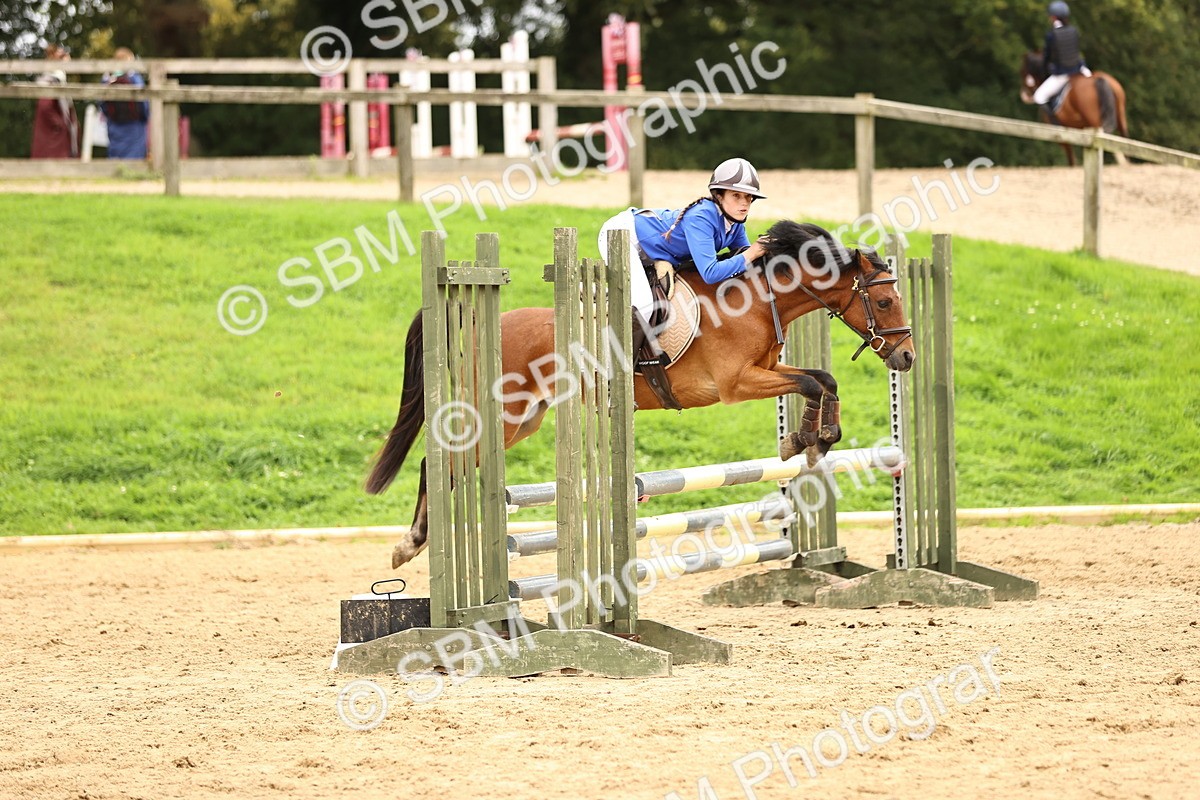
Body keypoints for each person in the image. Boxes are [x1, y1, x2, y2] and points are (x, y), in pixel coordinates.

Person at [596, 157, 768, 408]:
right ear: (718, 196)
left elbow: (744, 260)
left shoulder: (734, 223)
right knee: (644, 305)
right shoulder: (703, 217)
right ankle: (614, 383)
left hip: (651, 247)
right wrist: (751, 253)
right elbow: (711, 272)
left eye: (749, 198)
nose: (744, 203)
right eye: (736, 196)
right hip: (623, 236)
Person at [1033, 1, 1093, 119]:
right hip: (1081, 69)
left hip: (1064, 74)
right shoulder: (1074, 30)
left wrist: (1045, 71)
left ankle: (1055, 122)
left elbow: (1047, 58)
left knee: (1038, 97)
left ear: (1053, 17)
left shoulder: (1051, 35)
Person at [30, 44, 79, 159]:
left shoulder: (55, 79)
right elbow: (45, 105)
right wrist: (60, 124)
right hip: (53, 135)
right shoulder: (53, 79)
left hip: (54, 132)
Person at [101, 48, 149, 160]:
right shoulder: (135, 78)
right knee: (134, 162)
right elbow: (144, 104)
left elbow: (102, 104)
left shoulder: (108, 79)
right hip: (134, 128)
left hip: (114, 127)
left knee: (115, 161)